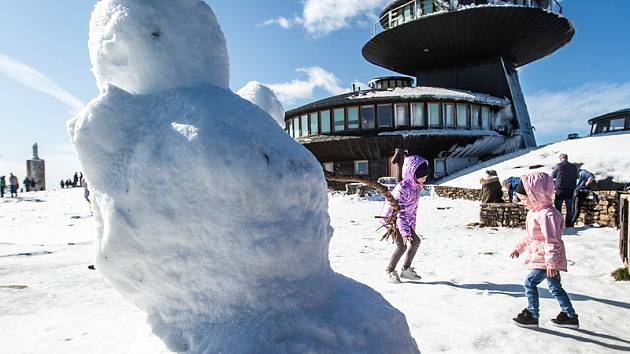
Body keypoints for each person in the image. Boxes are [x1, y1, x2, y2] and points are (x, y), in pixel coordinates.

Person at [510, 172, 579, 329]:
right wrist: (518, 249)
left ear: (535, 195)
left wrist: (551, 263)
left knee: (529, 282)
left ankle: (532, 315)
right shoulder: (535, 212)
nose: (522, 203)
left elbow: (552, 240)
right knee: (555, 287)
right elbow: (530, 236)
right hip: (543, 257)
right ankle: (569, 315)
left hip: (546, 260)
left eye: (524, 199)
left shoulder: (548, 215)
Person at [382, 155, 429, 283]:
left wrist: (411, 228)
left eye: (426, 175)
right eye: (421, 175)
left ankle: (406, 270)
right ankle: (390, 271)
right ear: (413, 174)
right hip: (392, 220)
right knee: (401, 246)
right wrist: (405, 232)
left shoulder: (416, 187)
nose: (425, 177)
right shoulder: (402, 188)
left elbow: (413, 211)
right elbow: (399, 212)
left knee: (415, 242)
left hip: (403, 221)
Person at [551, 153, 578, 227]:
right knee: (569, 207)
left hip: (560, 189)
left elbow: (552, 175)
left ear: (560, 158)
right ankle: (569, 224)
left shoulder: (558, 165)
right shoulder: (574, 166)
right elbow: (577, 176)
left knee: (558, 207)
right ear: (567, 158)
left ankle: (559, 224)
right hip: (570, 189)